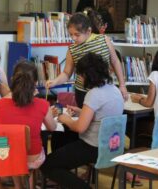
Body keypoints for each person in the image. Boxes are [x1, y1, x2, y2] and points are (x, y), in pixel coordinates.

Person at [41, 52, 124, 189]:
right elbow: (103, 115)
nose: (79, 77)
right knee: (60, 137)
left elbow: (79, 128)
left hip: (93, 147)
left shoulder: (94, 94)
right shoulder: (114, 90)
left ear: (88, 75)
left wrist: (65, 119)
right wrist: (82, 111)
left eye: (80, 74)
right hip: (110, 145)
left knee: (47, 165)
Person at [0, 61, 57, 189]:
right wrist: (48, 116)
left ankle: (18, 185)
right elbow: (52, 128)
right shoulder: (43, 104)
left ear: (12, 80)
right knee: (27, 152)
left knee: (13, 148)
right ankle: (30, 185)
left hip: (6, 156)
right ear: (36, 83)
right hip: (32, 158)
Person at [46, 12, 127, 108]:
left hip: (104, 91)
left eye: (77, 34)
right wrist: (55, 81)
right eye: (71, 34)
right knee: (85, 120)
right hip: (83, 92)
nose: (73, 38)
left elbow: (115, 61)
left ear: (88, 31)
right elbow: (67, 73)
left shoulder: (103, 40)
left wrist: (122, 85)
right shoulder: (72, 49)